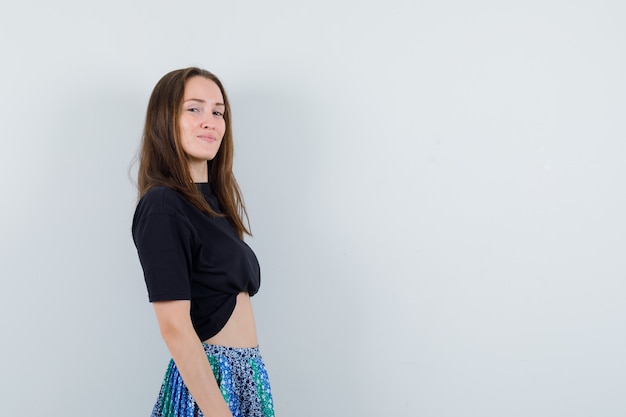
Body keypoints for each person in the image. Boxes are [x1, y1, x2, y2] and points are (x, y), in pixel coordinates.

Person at [132, 67, 275, 417]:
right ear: (165, 120)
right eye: (194, 109)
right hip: (210, 385)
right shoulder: (163, 205)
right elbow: (175, 328)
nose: (209, 121)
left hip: (246, 379)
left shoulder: (214, 203)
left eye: (218, 111)